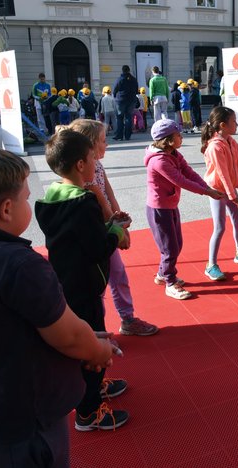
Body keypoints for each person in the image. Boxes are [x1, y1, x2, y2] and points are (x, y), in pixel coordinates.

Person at [0, 145, 115, 466]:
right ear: (6, 209)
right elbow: (69, 336)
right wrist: (96, 350)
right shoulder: (19, 265)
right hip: (26, 422)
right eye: (25, 198)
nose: (28, 204)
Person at [35, 129, 133, 430]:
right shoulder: (82, 202)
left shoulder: (51, 199)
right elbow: (97, 247)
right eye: (93, 157)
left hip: (66, 282)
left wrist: (107, 225)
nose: (96, 162)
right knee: (92, 341)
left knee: (87, 338)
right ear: (80, 164)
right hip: (86, 286)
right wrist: (115, 231)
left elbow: (78, 238)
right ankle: (89, 410)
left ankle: (94, 387)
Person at [70, 119, 159, 336]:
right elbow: (100, 200)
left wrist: (119, 221)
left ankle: (127, 319)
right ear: (90, 145)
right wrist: (118, 228)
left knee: (117, 275)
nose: (107, 144)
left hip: (109, 228)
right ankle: (96, 331)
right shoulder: (85, 173)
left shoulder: (96, 165)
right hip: (99, 233)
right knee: (98, 284)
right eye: (102, 140)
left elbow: (108, 192)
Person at [144, 119, 224, 299]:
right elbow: (181, 181)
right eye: (178, 135)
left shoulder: (173, 153)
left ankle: (162, 274)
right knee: (169, 248)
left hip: (170, 205)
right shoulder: (159, 161)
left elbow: (188, 172)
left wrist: (207, 187)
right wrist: (206, 192)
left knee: (176, 244)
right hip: (159, 209)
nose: (181, 137)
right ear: (168, 140)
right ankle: (170, 282)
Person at [200, 107, 238, 280]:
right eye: (234, 121)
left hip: (231, 190)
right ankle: (211, 265)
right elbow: (222, 173)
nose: (237, 124)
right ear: (223, 125)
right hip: (217, 192)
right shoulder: (214, 147)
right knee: (219, 227)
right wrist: (233, 196)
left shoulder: (233, 143)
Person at [113, 65, 139, 141]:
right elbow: (137, 90)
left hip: (121, 100)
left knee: (120, 118)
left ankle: (119, 135)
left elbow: (115, 89)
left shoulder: (120, 79)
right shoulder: (134, 79)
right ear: (129, 70)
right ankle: (128, 135)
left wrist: (115, 96)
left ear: (122, 70)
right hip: (131, 100)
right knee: (128, 117)